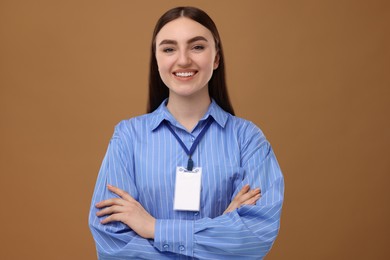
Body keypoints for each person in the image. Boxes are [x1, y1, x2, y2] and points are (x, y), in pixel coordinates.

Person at [89, 6, 284, 259]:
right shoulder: (127, 137)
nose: (183, 60)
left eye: (197, 47)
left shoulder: (248, 140)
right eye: (169, 49)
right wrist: (221, 227)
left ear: (216, 58)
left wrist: (153, 228)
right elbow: (113, 246)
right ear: (157, 59)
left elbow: (255, 236)